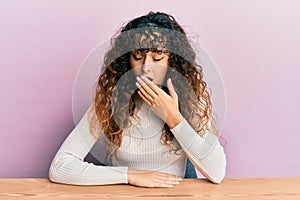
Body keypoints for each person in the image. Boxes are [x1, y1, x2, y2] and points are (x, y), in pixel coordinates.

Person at [49, 11, 226, 187]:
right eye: (138, 57)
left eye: (157, 58)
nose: (146, 67)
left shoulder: (191, 100)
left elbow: (217, 172)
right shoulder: (111, 100)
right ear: (127, 61)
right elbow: (60, 167)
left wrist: (174, 118)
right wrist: (131, 175)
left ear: (172, 61)